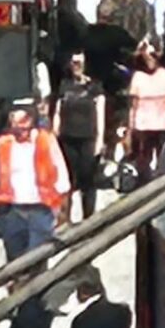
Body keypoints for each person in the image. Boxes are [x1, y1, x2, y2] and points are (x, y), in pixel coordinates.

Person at [0, 99, 70, 263]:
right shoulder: (2, 144)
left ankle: (37, 287)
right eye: (17, 127)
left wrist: (61, 209)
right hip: (11, 211)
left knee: (37, 260)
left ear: (32, 122)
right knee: (15, 261)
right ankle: (18, 287)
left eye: (24, 126)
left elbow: (61, 174)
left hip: (41, 209)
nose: (21, 131)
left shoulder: (47, 141)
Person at [53, 53, 104, 220]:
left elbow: (100, 114)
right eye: (74, 63)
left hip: (88, 138)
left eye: (79, 63)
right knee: (67, 180)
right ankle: (64, 219)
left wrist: (99, 140)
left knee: (88, 181)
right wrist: (55, 135)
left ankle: (89, 219)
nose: (76, 66)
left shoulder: (95, 87)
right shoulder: (64, 85)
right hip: (67, 137)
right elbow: (58, 113)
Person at [125, 44, 165, 178]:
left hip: (163, 125)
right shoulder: (138, 77)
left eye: (152, 55)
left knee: (164, 158)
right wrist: (130, 130)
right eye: (146, 56)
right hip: (143, 126)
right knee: (143, 159)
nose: (149, 59)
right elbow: (133, 106)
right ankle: (145, 184)